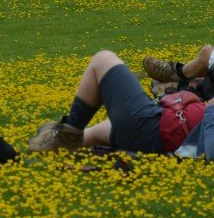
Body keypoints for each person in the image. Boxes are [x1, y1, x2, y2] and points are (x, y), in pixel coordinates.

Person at [28, 51, 164, 154]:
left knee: (103, 59)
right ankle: (62, 140)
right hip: (162, 139)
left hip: (154, 127)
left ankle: (69, 134)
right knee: (96, 132)